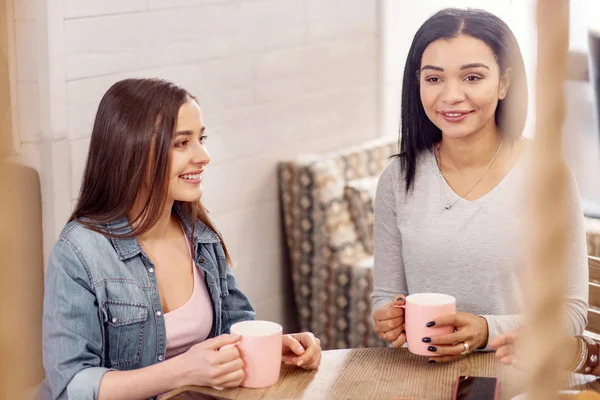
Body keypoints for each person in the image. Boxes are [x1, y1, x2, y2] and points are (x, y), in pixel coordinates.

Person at [41, 78, 321, 400]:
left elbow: (235, 327)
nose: (204, 156)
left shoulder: (198, 233)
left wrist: (274, 346)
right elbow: (72, 385)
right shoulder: (80, 251)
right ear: (131, 151)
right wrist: (184, 370)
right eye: (181, 143)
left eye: (201, 138)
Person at [371, 8, 589, 363]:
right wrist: (387, 317)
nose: (451, 96)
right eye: (434, 79)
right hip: (420, 375)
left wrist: (487, 331)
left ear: (504, 83)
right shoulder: (397, 179)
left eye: (472, 78)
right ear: (418, 84)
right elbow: (385, 296)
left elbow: (571, 314)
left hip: (517, 378)